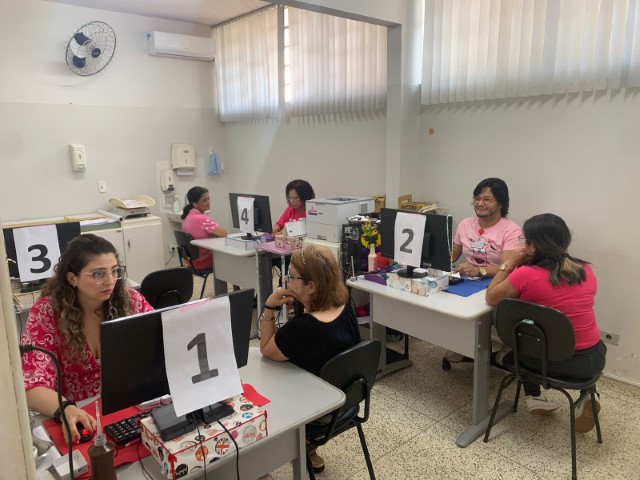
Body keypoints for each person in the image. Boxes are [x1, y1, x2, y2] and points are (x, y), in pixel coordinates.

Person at [20, 234, 153, 444]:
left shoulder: (130, 300)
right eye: (98, 274)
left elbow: (159, 344)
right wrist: (65, 409)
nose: (110, 281)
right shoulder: (47, 313)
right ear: (72, 278)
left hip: (127, 405)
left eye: (114, 271)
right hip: (77, 412)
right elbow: (31, 385)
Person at [486, 213, 606, 429]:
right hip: (591, 362)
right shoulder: (585, 270)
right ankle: (588, 394)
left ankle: (534, 396)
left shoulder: (525, 274)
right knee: (579, 333)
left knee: (526, 336)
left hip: (542, 363)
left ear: (533, 246)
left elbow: (491, 297)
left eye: (525, 240)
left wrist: (509, 264)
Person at [259, 244, 361, 472]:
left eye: (291, 275)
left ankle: (271, 453)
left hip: (317, 413)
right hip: (346, 401)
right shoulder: (345, 304)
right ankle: (310, 448)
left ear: (311, 286)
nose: (286, 279)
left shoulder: (304, 328)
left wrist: (269, 307)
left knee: (260, 377)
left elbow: (265, 348)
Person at [451, 177, 522, 278]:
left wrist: (478, 271)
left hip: (495, 282)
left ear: (501, 203)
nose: (480, 204)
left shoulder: (512, 231)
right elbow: (453, 256)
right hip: (465, 279)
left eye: (487, 200)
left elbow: (506, 267)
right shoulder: (465, 224)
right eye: (477, 199)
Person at [181, 186, 228, 270]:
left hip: (190, 261)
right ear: (195, 204)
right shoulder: (201, 218)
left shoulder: (188, 215)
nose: (208, 202)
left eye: (208, 199)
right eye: (204, 200)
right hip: (202, 261)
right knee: (232, 259)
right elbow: (224, 233)